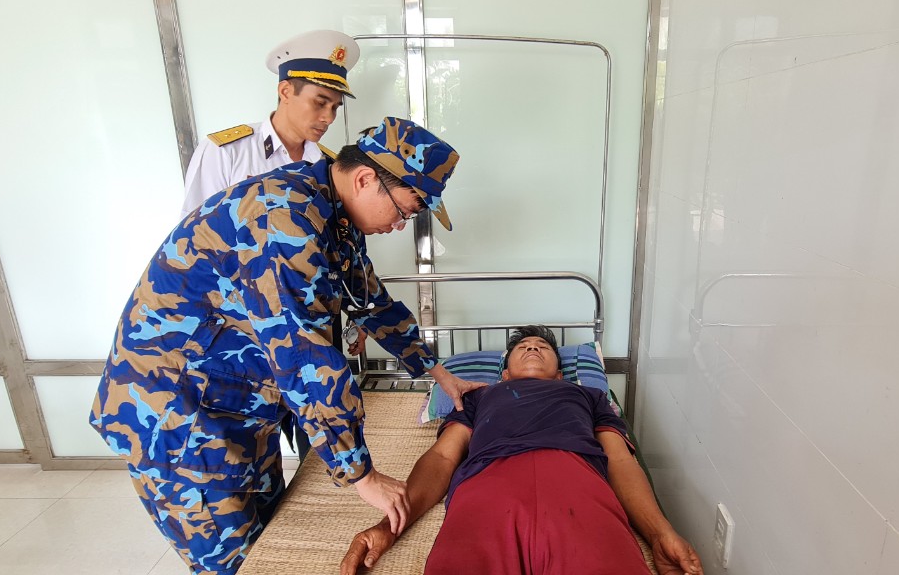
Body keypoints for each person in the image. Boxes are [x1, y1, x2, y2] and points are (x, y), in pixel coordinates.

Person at [91, 117, 483, 575]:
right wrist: (361, 474)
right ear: (364, 179)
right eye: (406, 209)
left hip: (237, 402)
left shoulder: (333, 214)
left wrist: (438, 372)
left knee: (266, 535)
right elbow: (305, 357)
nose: (401, 224)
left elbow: (370, 301)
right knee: (237, 563)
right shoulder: (283, 222)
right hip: (176, 412)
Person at [340, 326, 703, 575]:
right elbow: (442, 458)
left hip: (577, 484)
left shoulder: (590, 396)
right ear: (506, 375)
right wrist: (389, 527)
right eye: (522, 347)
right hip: (487, 488)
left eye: (543, 347)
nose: (532, 348)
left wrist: (660, 533)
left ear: (561, 374)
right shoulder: (478, 395)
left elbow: (622, 461)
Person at [179, 29, 358, 218]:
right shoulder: (227, 152)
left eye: (335, 107)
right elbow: (192, 233)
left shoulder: (328, 164)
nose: (328, 118)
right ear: (286, 91)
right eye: (320, 103)